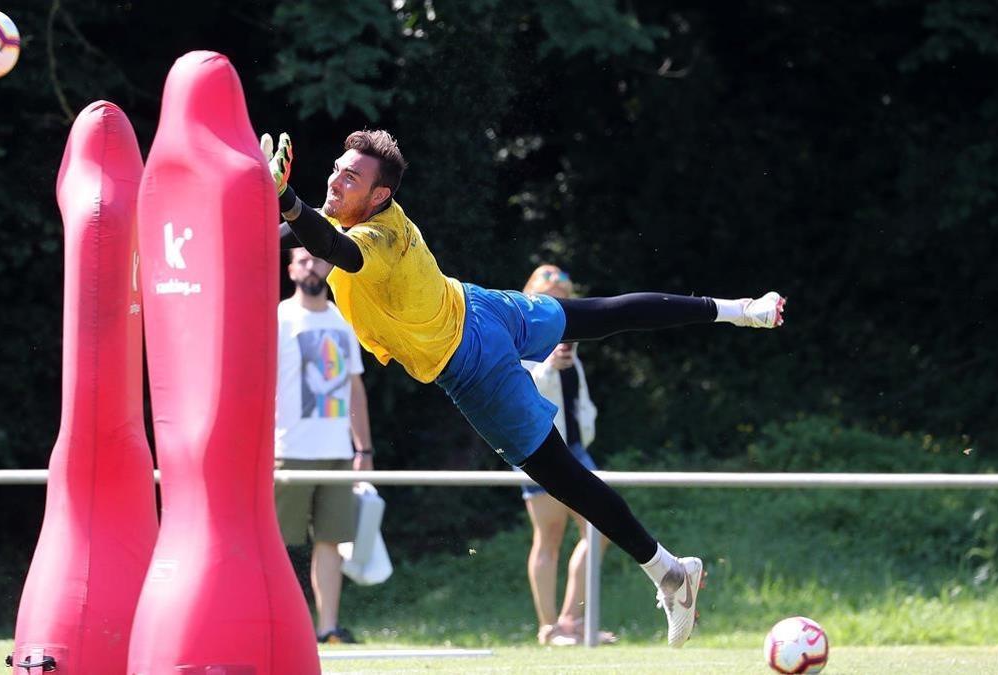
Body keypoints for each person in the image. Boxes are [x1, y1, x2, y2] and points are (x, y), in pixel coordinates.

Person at [264, 129, 786, 647]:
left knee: (564, 477)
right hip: (479, 306)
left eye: (350, 176)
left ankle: (671, 573)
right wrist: (257, 197)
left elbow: (332, 247)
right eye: (336, 167)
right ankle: (743, 310)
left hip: (470, 361)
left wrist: (285, 198)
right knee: (599, 316)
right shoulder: (343, 214)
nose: (334, 179)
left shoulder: (377, 236)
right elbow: (294, 233)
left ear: (380, 196)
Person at [274, 246, 375, 645]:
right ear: (290, 269)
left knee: (332, 541)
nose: (311, 266)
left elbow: (354, 388)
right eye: (303, 260)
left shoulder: (342, 320)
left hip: (336, 451)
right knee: (280, 544)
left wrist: (363, 449)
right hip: (288, 451)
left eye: (317, 259)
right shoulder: (279, 318)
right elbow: (260, 386)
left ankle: (327, 628)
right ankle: (279, 626)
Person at [515, 264, 615, 647]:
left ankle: (571, 620)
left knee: (600, 527)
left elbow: (583, 406)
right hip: (536, 447)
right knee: (549, 536)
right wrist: (548, 367)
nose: (559, 306)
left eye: (565, 299)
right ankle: (549, 627)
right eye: (551, 298)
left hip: (574, 451)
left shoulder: (572, 347)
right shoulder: (522, 339)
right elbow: (518, 392)